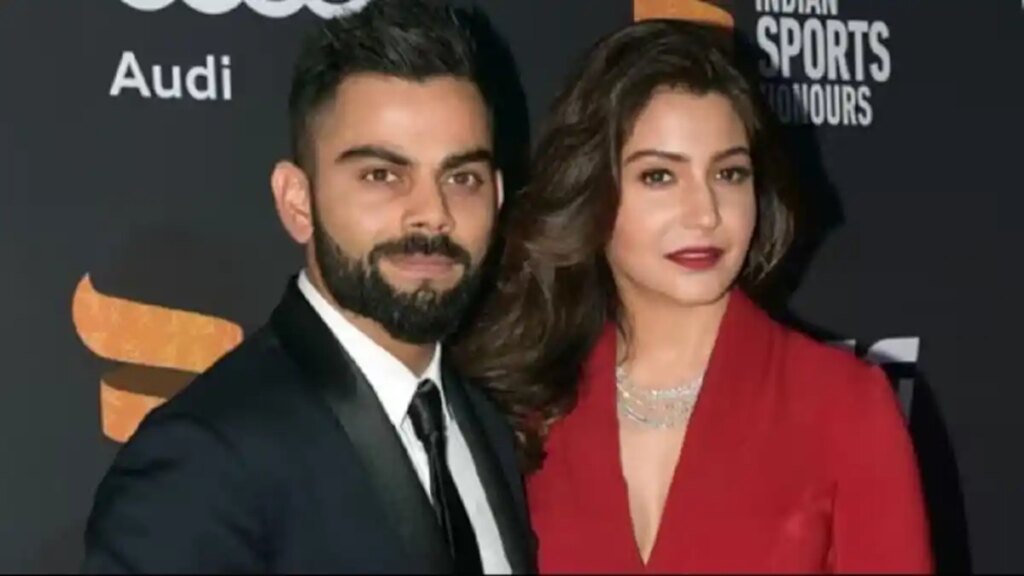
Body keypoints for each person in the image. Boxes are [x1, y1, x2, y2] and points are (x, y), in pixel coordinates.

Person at [454, 19, 933, 574]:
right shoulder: (522, 407)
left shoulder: (843, 405)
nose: (705, 213)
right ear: (590, 185)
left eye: (729, 173)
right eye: (659, 176)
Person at [82, 0, 534, 572]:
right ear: (297, 202)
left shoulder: (485, 428)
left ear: (497, 196)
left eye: (461, 177)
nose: (433, 214)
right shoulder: (202, 461)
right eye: (382, 175)